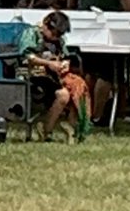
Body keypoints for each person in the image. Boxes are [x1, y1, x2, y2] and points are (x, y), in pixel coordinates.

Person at [19, 11, 91, 142]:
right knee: (63, 95)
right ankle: (47, 131)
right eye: (54, 34)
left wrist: (64, 64)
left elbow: (64, 56)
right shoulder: (32, 34)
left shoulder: (59, 41)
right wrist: (48, 63)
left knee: (78, 88)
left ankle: (74, 128)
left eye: (59, 35)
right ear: (46, 24)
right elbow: (25, 56)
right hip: (33, 76)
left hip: (54, 76)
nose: (55, 37)